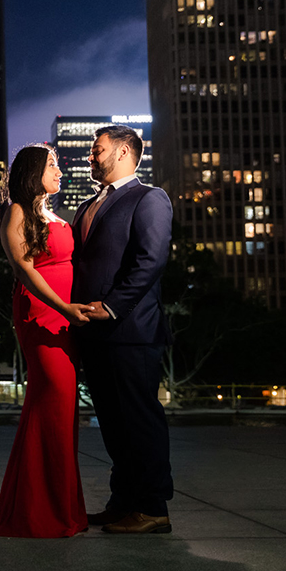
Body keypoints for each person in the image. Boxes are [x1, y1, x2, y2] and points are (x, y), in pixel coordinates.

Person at [0, 144, 91, 538]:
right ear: (32, 171)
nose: (60, 171)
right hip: (42, 315)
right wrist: (64, 306)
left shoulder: (54, 215)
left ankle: (59, 508)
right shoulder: (18, 212)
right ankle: (40, 512)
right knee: (53, 400)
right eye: (52, 165)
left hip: (68, 319)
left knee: (62, 408)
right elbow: (23, 269)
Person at [70, 124, 175, 534]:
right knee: (113, 424)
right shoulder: (85, 207)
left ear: (124, 152)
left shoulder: (150, 199)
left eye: (97, 150)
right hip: (93, 333)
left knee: (140, 420)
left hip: (132, 331)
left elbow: (151, 260)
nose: (90, 157)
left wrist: (112, 307)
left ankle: (152, 508)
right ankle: (123, 501)